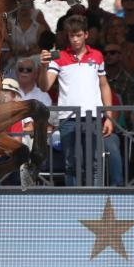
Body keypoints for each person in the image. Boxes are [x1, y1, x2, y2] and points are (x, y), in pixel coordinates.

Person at [39, 15, 113, 186]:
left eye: (78, 35)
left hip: (93, 116)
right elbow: (45, 86)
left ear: (86, 34)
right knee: (71, 164)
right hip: (68, 116)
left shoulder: (98, 55)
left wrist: (108, 116)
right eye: (71, 35)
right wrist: (43, 66)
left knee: (94, 163)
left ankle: (95, 202)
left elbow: (104, 86)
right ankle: (74, 204)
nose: (75, 39)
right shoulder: (58, 56)